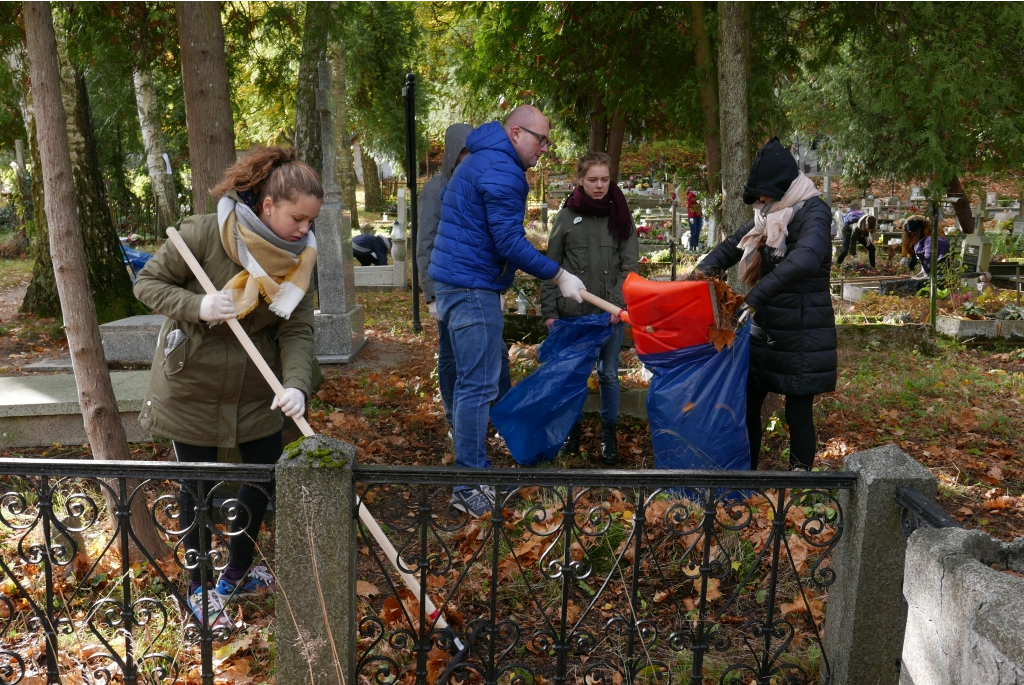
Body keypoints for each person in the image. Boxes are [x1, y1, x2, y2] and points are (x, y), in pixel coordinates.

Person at [134, 146, 320, 629]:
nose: (305, 230)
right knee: (195, 490)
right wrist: (198, 305)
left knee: (261, 481)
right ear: (267, 206)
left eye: (310, 221)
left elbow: (296, 329)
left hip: (258, 388)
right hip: (191, 383)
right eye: (297, 218)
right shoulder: (202, 234)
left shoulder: (299, 260)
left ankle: (236, 572)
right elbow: (148, 283)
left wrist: (297, 385)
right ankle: (199, 590)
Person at [429, 105, 586, 516]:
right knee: (477, 386)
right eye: (541, 140)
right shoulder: (503, 170)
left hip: (453, 281)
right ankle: (468, 483)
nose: (544, 150)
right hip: (472, 287)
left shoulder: (482, 158)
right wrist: (558, 275)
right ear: (516, 133)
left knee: (461, 379)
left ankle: (465, 466)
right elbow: (508, 243)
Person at [694, 137, 836, 471]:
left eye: (764, 194)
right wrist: (698, 276)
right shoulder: (768, 215)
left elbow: (806, 258)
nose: (759, 201)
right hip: (767, 329)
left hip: (803, 331)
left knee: (798, 413)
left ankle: (799, 485)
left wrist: (754, 299)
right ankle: (749, 474)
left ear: (782, 187)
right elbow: (731, 247)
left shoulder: (814, 211)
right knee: (749, 404)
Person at [541, 151, 638, 465]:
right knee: (574, 375)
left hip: (609, 317)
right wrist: (550, 313)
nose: (599, 186)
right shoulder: (566, 217)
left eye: (605, 179)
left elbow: (629, 265)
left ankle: (608, 434)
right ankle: (573, 431)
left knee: (609, 374)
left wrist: (617, 306)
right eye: (592, 179)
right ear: (580, 180)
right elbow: (549, 267)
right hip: (574, 317)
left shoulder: (620, 215)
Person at [418, 123, 511, 428]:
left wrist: (498, 289)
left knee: (496, 352)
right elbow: (427, 243)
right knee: (450, 357)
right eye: (464, 152)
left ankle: (501, 418)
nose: (470, 157)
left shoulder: (484, 180)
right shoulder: (435, 191)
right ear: (453, 154)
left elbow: (496, 239)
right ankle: (455, 420)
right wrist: (431, 295)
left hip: (482, 287)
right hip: (449, 288)